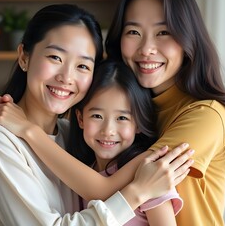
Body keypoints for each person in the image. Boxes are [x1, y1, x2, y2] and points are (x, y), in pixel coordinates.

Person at [0, 0, 225, 225]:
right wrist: (4, 113)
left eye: (163, 33)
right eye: (134, 31)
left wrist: (26, 128)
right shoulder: (78, 132)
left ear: (188, 38)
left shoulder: (203, 116)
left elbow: (104, 188)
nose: (147, 48)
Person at [0, 3, 194, 225]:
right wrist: (136, 194)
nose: (67, 77)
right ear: (24, 57)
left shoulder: (74, 135)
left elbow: (101, 187)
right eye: (55, 57)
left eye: (82, 66)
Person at [70, 60, 183, 225]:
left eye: (122, 118)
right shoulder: (82, 174)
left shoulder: (148, 173)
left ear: (137, 123)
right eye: (97, 116)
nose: (108, 130)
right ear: (80, 119)